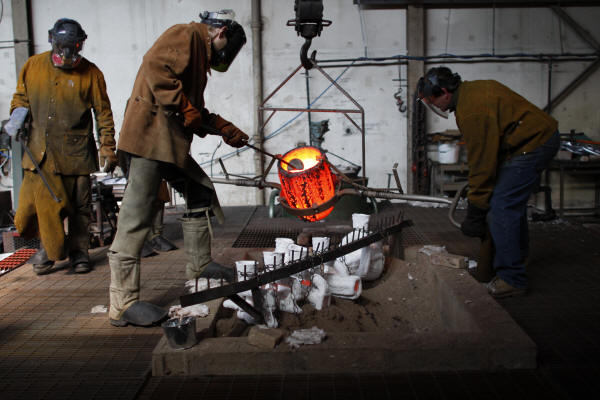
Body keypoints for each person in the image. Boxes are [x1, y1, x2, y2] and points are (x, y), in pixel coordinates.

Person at [108, 9, 248, 327]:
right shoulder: (187, 34)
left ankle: (199, 266)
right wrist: (186, 107)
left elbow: (192, 111)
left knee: (198, 190)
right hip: (148, 141)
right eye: (226, 47)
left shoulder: (198, 52)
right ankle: (123, 304)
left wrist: (222, 127)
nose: (222, 56)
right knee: (136, 215)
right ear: (221, 32)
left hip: (167, 143)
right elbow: (155, 67)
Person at [417, 66, 560, 298]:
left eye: (434, 100)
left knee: (502, 207)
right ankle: (515, 257)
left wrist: (476, 209)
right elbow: (487, 157)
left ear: (444, 91)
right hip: (525, 141)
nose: (436, 107)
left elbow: (482, 163)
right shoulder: (471, 92)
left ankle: (512, 278)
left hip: (534, 143)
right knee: (507, 203)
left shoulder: (472, 110)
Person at [4, 18, 117, 275]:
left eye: (73, 48)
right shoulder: (33, 66)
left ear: (80, 45)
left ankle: (79, 253)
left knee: (79, 208)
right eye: (62, 48)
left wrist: (107, 148)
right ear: (52, 41)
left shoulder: (91, 73)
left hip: (76, 155)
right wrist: (17, 115)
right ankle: (48, 250)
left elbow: (103, 114)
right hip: (40, 154)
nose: (67, 55)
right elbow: (20, 97)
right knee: (41, 208)